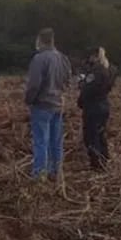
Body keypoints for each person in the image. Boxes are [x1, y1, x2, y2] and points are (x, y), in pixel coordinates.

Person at [24, 28, 73, 180]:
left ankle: (39, 174)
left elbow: (34, 84)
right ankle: (55, 171)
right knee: (56, 141)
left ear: (40, 40)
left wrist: (29, 100)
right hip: (58, 104)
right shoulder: (63, 58)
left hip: (42, 105)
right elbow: (68, 79)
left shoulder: (39, 59)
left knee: (40, 141)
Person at [78, 46, 117, 171]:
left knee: (90, 136)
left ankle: (96, 165)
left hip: (93, 107)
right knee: (101, 134)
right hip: (104, 105)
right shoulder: (110, 69)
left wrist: (81, 83)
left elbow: (88, 89)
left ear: (95, 56)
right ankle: (104, 160)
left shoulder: (96, 71)